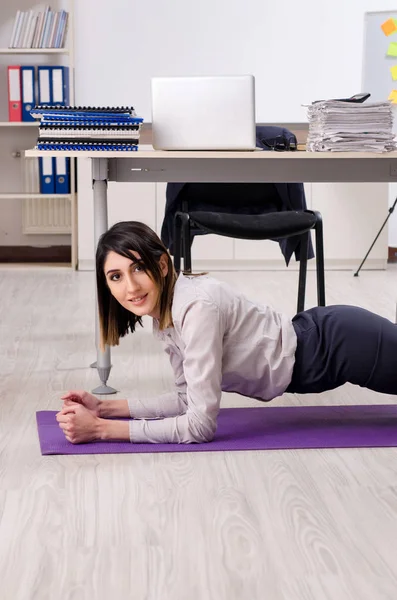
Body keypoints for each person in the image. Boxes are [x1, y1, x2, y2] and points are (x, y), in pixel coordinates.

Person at [57, 221, 397, 445]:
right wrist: (105, 408)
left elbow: (200, 426)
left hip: (340, 345)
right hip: (322, 344)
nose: (129, 287)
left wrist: (102, 430)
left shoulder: (196, 308)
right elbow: (185, 400)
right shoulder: (165, 314)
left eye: (139, 268)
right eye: (115, 276)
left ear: (161, 266)